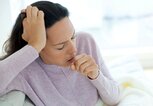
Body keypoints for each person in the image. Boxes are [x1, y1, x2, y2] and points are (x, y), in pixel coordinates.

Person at [0, 1, 120, 106]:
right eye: (60, 46)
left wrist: (96, 75)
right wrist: (34, 45)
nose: (74, 49)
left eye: (73, 37)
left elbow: (114, 98)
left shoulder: (85, 41)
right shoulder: (24, 69)